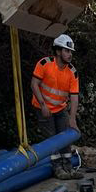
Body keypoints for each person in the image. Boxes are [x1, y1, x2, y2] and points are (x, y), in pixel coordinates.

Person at [31, 33, 82, 180]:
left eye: (71, 51)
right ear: (58, 51)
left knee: (65, 138)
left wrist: (72, 118)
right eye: (67, 51)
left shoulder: (72, 72)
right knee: (51, 139)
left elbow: (74, 96)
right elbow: (34, 84)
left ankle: (68, 166)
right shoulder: (44, 64)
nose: (70, 54)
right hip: (43, 108)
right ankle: (58, 169)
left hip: (60, 108)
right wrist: (43, 106)